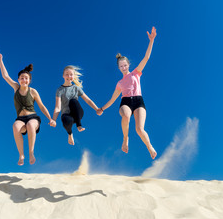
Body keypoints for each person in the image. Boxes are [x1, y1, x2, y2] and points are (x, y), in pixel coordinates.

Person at [97, 27, 157, 159]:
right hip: (126, 102)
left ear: (128, 65)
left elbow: (146, 58)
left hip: (138, 101)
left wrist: (151, 40)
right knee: (125, 115)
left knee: (139, 129)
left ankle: (150, 147)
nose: (123, 68)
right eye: (121, 66)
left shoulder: (136, 73)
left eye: (125, 65)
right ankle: (125, 139)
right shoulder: (119, 83)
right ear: (118, 68)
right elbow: (112, 100)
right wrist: (102, 108)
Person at [0, 51, 55, 166]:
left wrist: (50, 119)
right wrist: (1, 61)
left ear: (29, 80)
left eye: (26, 78)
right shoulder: (16, 88)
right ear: (18, 79)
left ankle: (31, 153)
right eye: (22, 78)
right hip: (20, 119)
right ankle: (21, 155)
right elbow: (5, 76)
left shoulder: (33, 91)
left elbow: (42, 106)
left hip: (33, 117)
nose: (24, 80)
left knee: (30, 125)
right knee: (15, 126)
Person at [52, 65, 100, 145]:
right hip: (67, 115)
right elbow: (57, 107)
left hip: (77, 114)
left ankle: (79, 125)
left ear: (73, 76)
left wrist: (97, 109)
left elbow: (88, 100)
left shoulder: (76, 88)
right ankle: (70, 134)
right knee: (66, 120)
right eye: (67, 74)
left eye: (71, 74)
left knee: (73, 101)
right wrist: (54, 120)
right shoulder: (59, 90)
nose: (69, 76)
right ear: (63, 75)